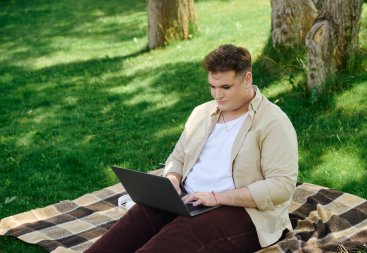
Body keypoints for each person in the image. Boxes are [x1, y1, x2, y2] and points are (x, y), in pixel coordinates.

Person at [85, 44, 298, 253]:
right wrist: (173, 179)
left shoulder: (273, 122)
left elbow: (282, 185)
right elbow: (177, 156)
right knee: (132, 224)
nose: (218, 95)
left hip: (241, 211)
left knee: (174, 238)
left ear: (247, 79)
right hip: (188, 198)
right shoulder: (202, 113)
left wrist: (216, 197)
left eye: (225, 87)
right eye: (212, 87)